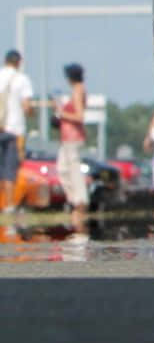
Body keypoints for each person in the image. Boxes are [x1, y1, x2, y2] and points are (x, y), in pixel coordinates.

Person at [56, 63, 88, 229]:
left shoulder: (77, 90)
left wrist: (61, 113)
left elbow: (80, 116)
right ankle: (74, 200)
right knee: (62, 169)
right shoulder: (79, 89)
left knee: (74, 171)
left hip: (72, 137)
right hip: (67, 137)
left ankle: (80, 202)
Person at [0, 50, 32, 214]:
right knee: (10, 170)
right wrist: (31, 113)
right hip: (14, 130)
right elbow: (26, 107)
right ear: (19, 62)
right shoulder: (22, 79)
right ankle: (9, 205)